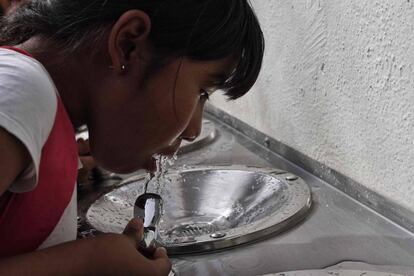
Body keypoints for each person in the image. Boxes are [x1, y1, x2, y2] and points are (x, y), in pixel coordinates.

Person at [0, 0, 264, 274]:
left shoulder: (39, 110)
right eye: (202, 92)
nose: (193, 130)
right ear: (128, 45)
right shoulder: (19, 92)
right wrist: (87, 263)